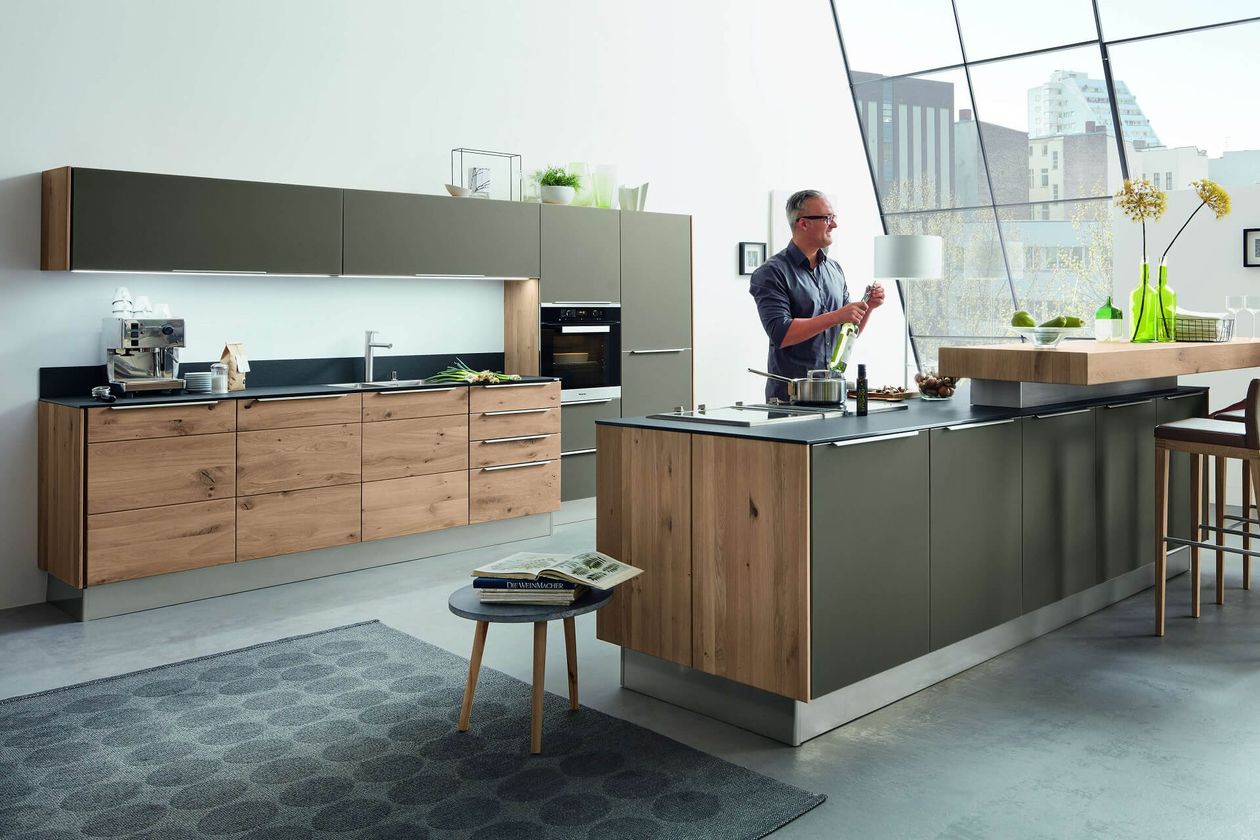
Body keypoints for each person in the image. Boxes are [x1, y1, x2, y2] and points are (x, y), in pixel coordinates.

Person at [748, 189, 885, 401]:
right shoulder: (770, 273)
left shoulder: (834, 270)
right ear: (803, 223)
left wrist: (868, 307)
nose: (834, 224)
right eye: (827, 218)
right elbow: (781, 333)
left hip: (834, 395)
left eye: (834, 217)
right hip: (791, 400)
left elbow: (849, 332)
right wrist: (838, 315)